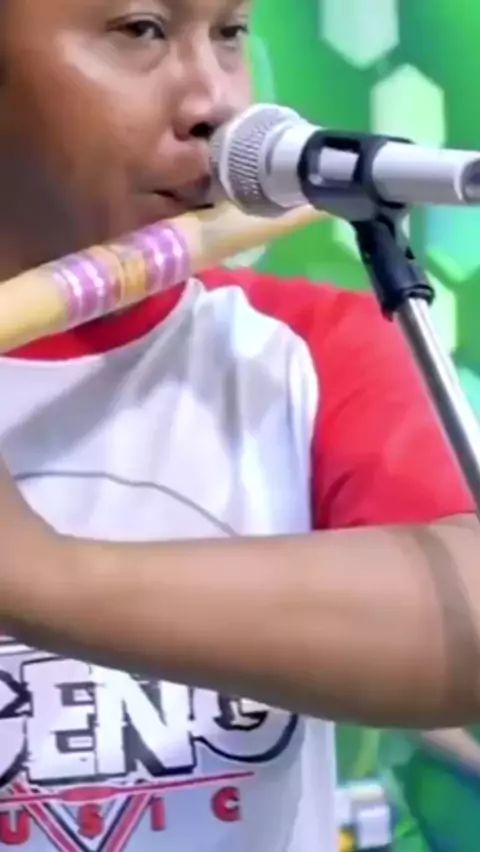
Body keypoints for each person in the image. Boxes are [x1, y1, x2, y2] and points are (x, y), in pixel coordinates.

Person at [0, 0, 478, 850]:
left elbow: (467, 621)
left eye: (228, 33)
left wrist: (43, 574)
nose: (215, 103)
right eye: (142, 29)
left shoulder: (301, 346)